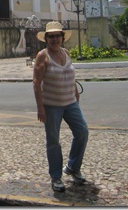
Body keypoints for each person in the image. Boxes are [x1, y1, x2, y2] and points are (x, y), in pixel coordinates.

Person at [32, 21, 89, 193]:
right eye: (51, 36)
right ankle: (56, 177)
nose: (55, 39)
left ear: (63, 38)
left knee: (82, 132)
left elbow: (70, 74)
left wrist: (75, 93)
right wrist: (40, 107)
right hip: (51, 106)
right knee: (53, 141)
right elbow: (36, 83)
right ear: (46, 39)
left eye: (58, 36)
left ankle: (72, 167)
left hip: (70, 102)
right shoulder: (43, 56)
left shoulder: (66, 52)